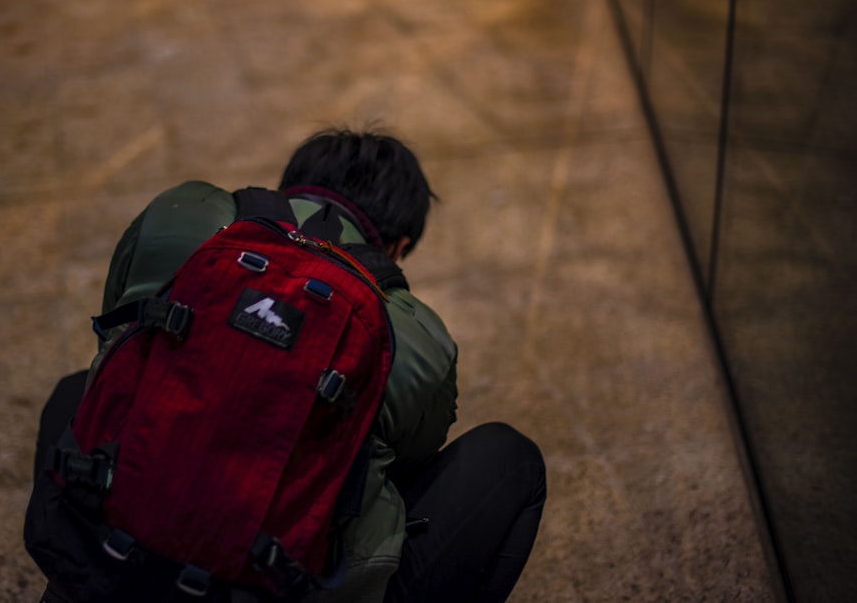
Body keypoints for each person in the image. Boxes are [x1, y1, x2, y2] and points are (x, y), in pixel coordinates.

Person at [33, 128, 546, 602]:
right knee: (510, 459)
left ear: (292, 191)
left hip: (102, 569)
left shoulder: (175, 217)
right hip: (272, 584)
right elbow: (410, 461)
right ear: (399, 245)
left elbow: (116, 334)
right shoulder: (414, 332)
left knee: (77, 388)